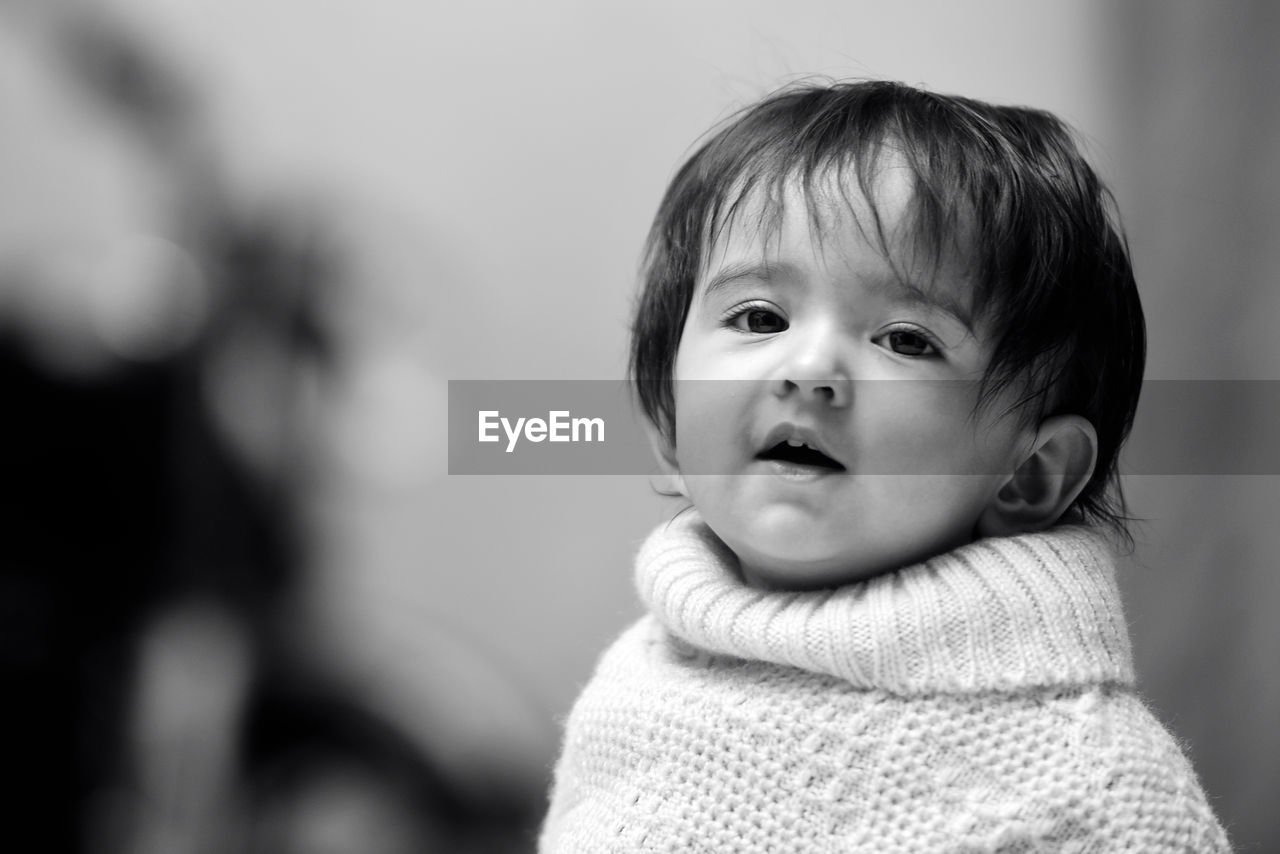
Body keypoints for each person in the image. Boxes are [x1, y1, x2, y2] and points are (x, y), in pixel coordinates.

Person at [540, 80, 1230, 852]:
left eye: (906, 339)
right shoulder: (635, 686)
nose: (808, 368)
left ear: (1029, 473)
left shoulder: (1092, 778)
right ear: (667, 419)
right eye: (759, 318)